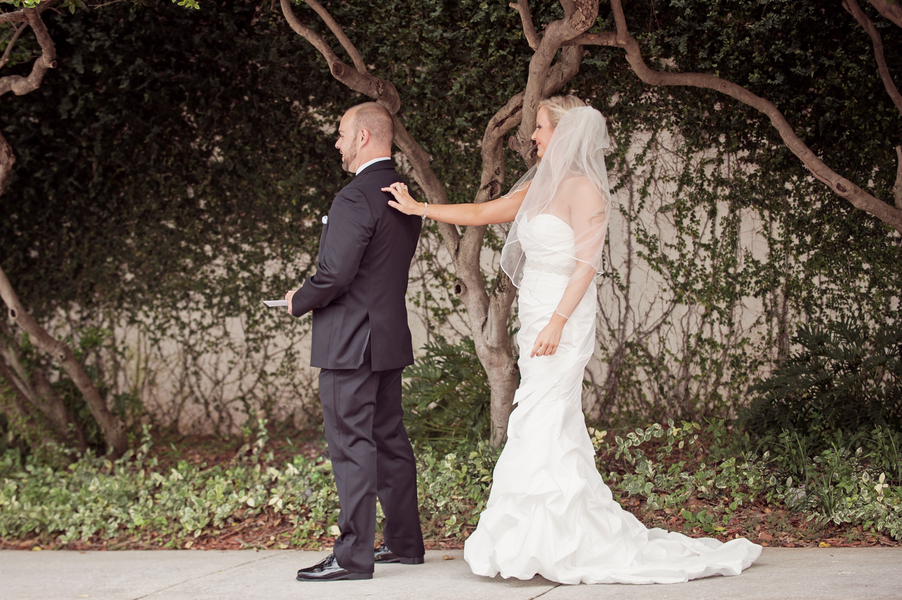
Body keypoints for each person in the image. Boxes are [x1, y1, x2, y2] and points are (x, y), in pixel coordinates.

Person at [382, 95, 762, 585]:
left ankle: (552, 539)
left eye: (539, 127)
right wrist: (420, 208)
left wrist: (558, 322)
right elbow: (486, 212)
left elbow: (586, 266)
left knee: (542, 414)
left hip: (564, 317)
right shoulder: (542, 184)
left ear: (563, 133)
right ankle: (545, 537)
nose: (533, 136)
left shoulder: (586, 191)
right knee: (544, 419)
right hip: (535, 312)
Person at [286, 102, 426, 582]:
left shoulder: (353, 197)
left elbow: (335, 274)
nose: (339, 143)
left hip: (350, 343)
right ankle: (405, 544)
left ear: (364, 137)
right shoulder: (404, 194)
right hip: (387, 338)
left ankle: (351, 558)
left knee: (351, 446)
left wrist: (296, 300)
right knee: (389, 440)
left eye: (343, 134)